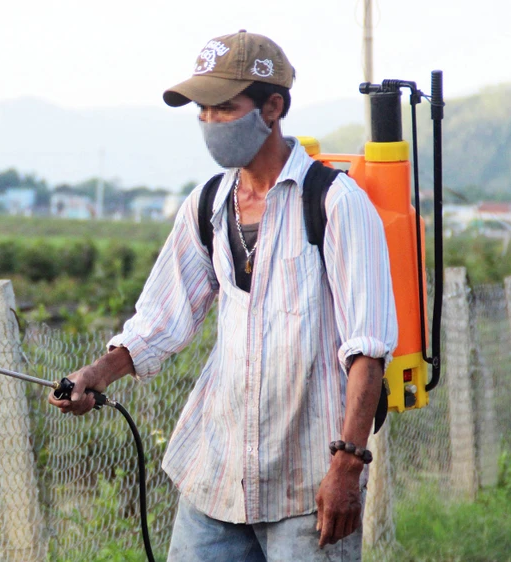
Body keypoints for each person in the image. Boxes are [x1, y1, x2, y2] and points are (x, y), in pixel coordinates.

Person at [48, 30, 397, 561]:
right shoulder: (207, 204)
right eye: (202, 111)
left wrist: (347, 467)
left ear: (272, 107)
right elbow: (161, 319)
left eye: (224, 108)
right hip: (217, 475)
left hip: (310, 483)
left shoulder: (335, 203)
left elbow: (368, 352)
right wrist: (95, 375)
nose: (210, 122)